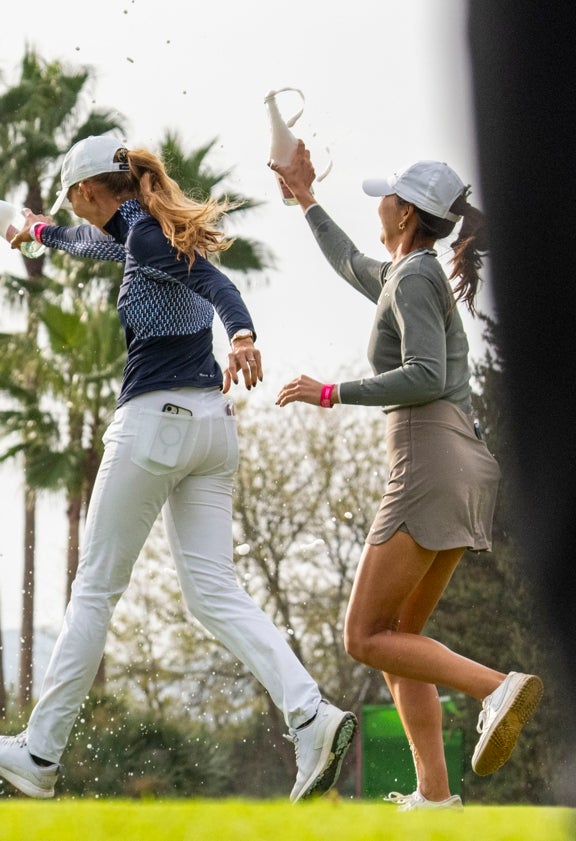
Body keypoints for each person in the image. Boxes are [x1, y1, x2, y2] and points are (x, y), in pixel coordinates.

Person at [0, 134, 356, 802]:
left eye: (71, 197)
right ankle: (311, 716)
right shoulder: (143, 230)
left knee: (94, 591)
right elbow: (90, 244)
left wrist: (242, 334)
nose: (73, 208)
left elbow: (215, 283)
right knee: (214, 592)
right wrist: (36, 232)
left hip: (156, 423)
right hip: (212, 426)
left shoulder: (146, 238)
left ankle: (38, 752)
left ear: (91, 188)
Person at [271, 143, 543, 811]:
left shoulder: (416, 279)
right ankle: (435, 793)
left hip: (428, 457)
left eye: (386, 195)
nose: (379, 203)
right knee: (399, 641)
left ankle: (494, 687)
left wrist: (331, 391)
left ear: (407, 212)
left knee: (364, 635)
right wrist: (306, 199)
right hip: (457, 463)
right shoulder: (407, 273)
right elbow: (348, 262)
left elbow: (422, 374)